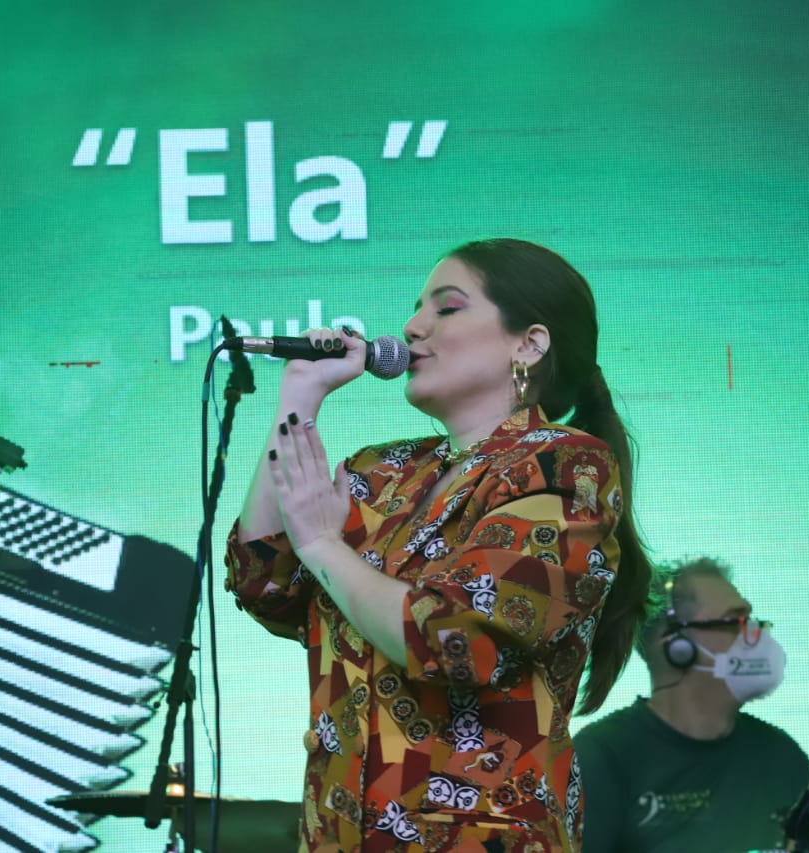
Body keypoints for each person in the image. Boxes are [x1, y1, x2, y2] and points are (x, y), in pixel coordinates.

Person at [224, 238, 653, 852]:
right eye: (415, 308)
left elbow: (457, 642)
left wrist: (322, 543)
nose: (412, 327)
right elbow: (263, 581)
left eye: (446, 308)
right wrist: (300, 397)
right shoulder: (382, 474)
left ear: (529, 344)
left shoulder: (564, 465)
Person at [574, 556, 809, 853]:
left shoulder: (783, 757)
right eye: (736, 622)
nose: (756, 637)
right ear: (677, 646)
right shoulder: (602, 756)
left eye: (753, 622)